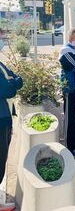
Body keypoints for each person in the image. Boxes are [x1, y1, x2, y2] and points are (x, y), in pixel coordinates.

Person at [0, 60, 23, 211]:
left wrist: (13, 81)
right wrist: (13, 82)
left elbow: (17, 80)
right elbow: (7, 90)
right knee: (0, 157)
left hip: (5, 116)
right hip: (0, 119)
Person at [58, 28, 75, 157]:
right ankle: (70, 146)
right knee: (70, 119)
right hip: (70, 90)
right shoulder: (66, 51)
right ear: (70, 40)